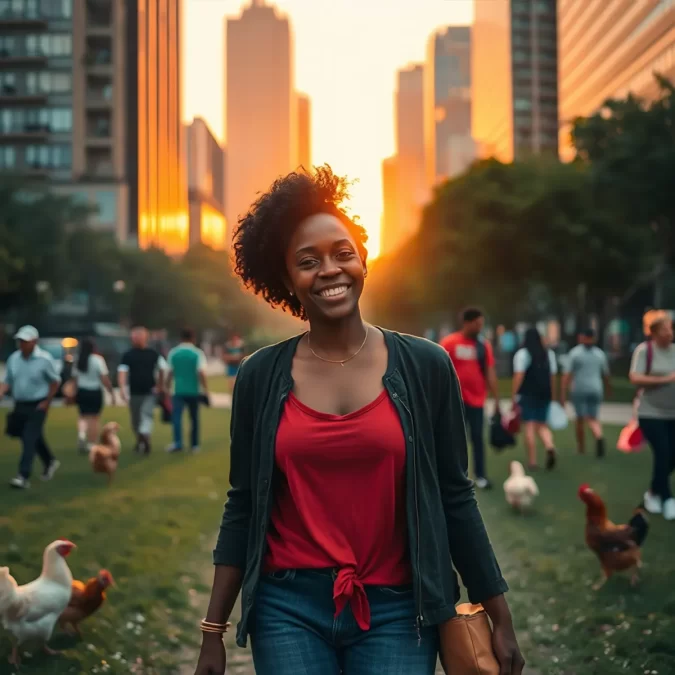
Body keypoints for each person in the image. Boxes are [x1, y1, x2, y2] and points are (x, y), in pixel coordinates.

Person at [193, 167, 523, 675]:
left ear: (363, 258)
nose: (329, 270)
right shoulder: (260, 376)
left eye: (342, 252)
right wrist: (212, 633)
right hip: (286, 608)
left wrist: (499, 617)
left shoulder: (426, 366)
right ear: (285, 279)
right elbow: (243, 504)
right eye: (308, 262)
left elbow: (456, 496)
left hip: (399, 608)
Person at [440, 307, 500, 489]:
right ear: (467, 323)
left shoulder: (483, 346)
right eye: (477, 324)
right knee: (454, 439)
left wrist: (496, 398)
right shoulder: (449, 343)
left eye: (481, 324)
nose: (480, 327)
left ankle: (480, 476)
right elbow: (439, 368)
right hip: (454, 400)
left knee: (477, 438)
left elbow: (490, 372)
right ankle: (454, 476)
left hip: (477, 401)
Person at [0, 326, 61, 489]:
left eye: (25, 341)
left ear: (34, 342)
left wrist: (47, 402)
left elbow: (55, 382)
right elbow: (8, 381)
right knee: (33, 437)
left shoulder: (44, 359)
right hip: (20, 404)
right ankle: (50, 461)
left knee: (29, 438)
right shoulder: (14, 358)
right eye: (20, 341)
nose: (22, 344)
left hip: (38, 404)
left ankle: (23, 476)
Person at [629, 310, 675, 521]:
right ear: (654, 332)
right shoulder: (644, 351)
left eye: (671, 328)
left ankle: (653, 492)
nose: (670, 332)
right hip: (650, 413)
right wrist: (665, 379)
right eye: (665, 329)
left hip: (672, 414)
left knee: (672, 456)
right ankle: (667, 499)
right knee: (663, 452)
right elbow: (635, 377)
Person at [512, 328, 558, 470]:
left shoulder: (523, 354)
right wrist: (553, 395)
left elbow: (519, 375)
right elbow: (552, 376)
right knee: (542, 425)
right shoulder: (548, 354)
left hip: (528, 394)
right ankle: (549, 446)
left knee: (530, 426)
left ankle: (532, 461)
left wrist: (514, 395)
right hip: (544, 394)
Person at [560, 329, 611, 458]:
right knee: (593, 418)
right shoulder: (600, 354)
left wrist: (562, 393)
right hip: (596, 388)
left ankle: (581, 448)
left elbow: (567, 374)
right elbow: (606, 375)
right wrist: (608, 389)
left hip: (579, 389)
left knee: (580, 419)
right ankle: (598, 435)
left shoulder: (575, 353)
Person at [117, 326, 164, 455]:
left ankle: (144, 440)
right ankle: (141, 441)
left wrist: (159, 386)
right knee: (136, 420)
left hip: (150, 392)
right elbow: (122, 372)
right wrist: (122, 389)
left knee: (146, 416)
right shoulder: (128, 355)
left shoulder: (153, 354)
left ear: (145, 338)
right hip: (135, 392)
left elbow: (162, 369)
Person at [165, 328, 210, 454]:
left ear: (181, 338)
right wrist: (205, 390)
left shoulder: (174, 352)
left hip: (178, 390)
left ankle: (178, 443)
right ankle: (194, 445)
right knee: (194, 419)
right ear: (193, 339)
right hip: (194, 391)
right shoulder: (197, 353)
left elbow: (170, 372)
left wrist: (166, 388)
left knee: (177, 418)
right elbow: (201, 373)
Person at [73, 337, 115, 453]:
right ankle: (92, 443)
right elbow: (104, 378)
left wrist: (73, 393)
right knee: (94, 418)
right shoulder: (98, 360)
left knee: (83, 416)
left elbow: (75, 378)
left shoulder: (78, 360)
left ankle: (82, 435)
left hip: (82, 391)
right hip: (95, 391)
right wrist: (111, 392)